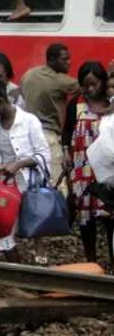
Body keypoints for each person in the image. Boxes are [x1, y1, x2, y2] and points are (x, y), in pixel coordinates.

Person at [0, 79, 50, 264]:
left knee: (2, 232)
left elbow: (44, 155)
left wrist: (18, 165)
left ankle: (17, 282)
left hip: (24, 187)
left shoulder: (29, 121)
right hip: (1, 186)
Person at [62, 62, 114, 264]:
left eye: (94, 84)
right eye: (86, 85)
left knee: (109, 213)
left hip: (107, 169)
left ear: (103, 82)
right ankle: (90, 260)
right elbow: (67, 131)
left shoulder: (112, 103)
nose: (90, 89)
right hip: (82, 168)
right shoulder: (77, 103)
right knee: (86, 216)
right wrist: (66, 151)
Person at [21, 43, 79, 189]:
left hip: (27, 136)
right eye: (64, 59)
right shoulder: (60, 80)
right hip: (49, 137)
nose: (69, 62)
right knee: (56, 182)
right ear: (52, 60)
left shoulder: (28, 74)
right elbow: (88, 86)